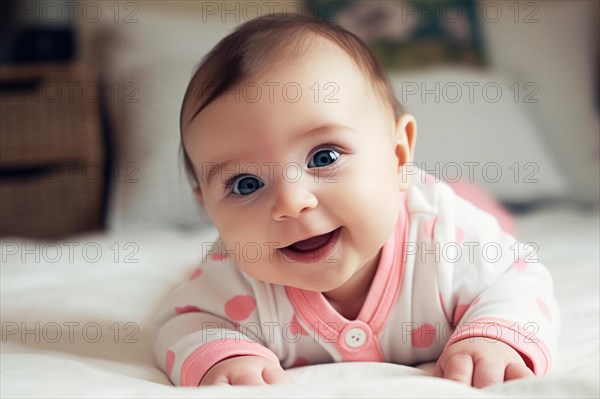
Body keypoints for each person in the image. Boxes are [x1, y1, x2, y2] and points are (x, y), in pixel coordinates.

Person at [155, 13, 559, 388]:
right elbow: (183, 321)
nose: (291, 202)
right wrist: (220, 355)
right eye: (245, 184)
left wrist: (495, 334)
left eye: (324, 157)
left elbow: (518, 277)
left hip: (445, 205)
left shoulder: (444, 238)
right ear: (208, 208)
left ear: (398, 155)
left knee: (490, 221)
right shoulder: (232, 278)